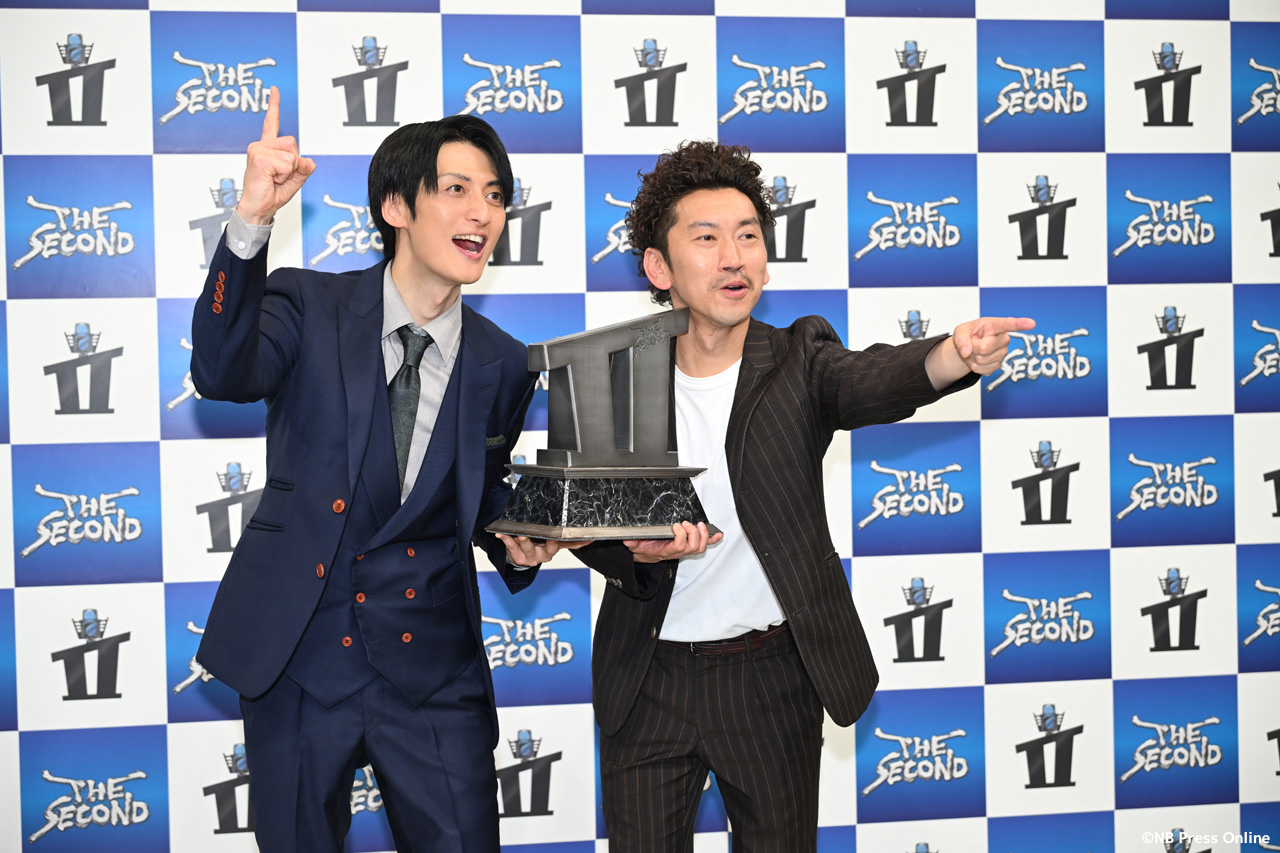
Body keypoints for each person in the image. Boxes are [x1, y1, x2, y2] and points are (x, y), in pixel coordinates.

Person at [571, 140, 1033, 850]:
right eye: (707, 239)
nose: (734, 258)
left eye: (749, 236)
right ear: (659, 268)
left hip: (770, 678)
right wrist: (631, 549)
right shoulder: (613, 377)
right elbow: (591, 523)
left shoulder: (798, 360)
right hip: (648, 675)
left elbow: (872, 378)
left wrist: (950, 356)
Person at [190, 88, 573, 853]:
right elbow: (221, 371)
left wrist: (520, 538)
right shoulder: (308, 302)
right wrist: (252, 217)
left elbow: (478, 492)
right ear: (397, 206)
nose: (482, 213)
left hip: (434, 674)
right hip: (299, 659)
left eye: (495, 196)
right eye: (457, 189)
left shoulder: (503, 361)